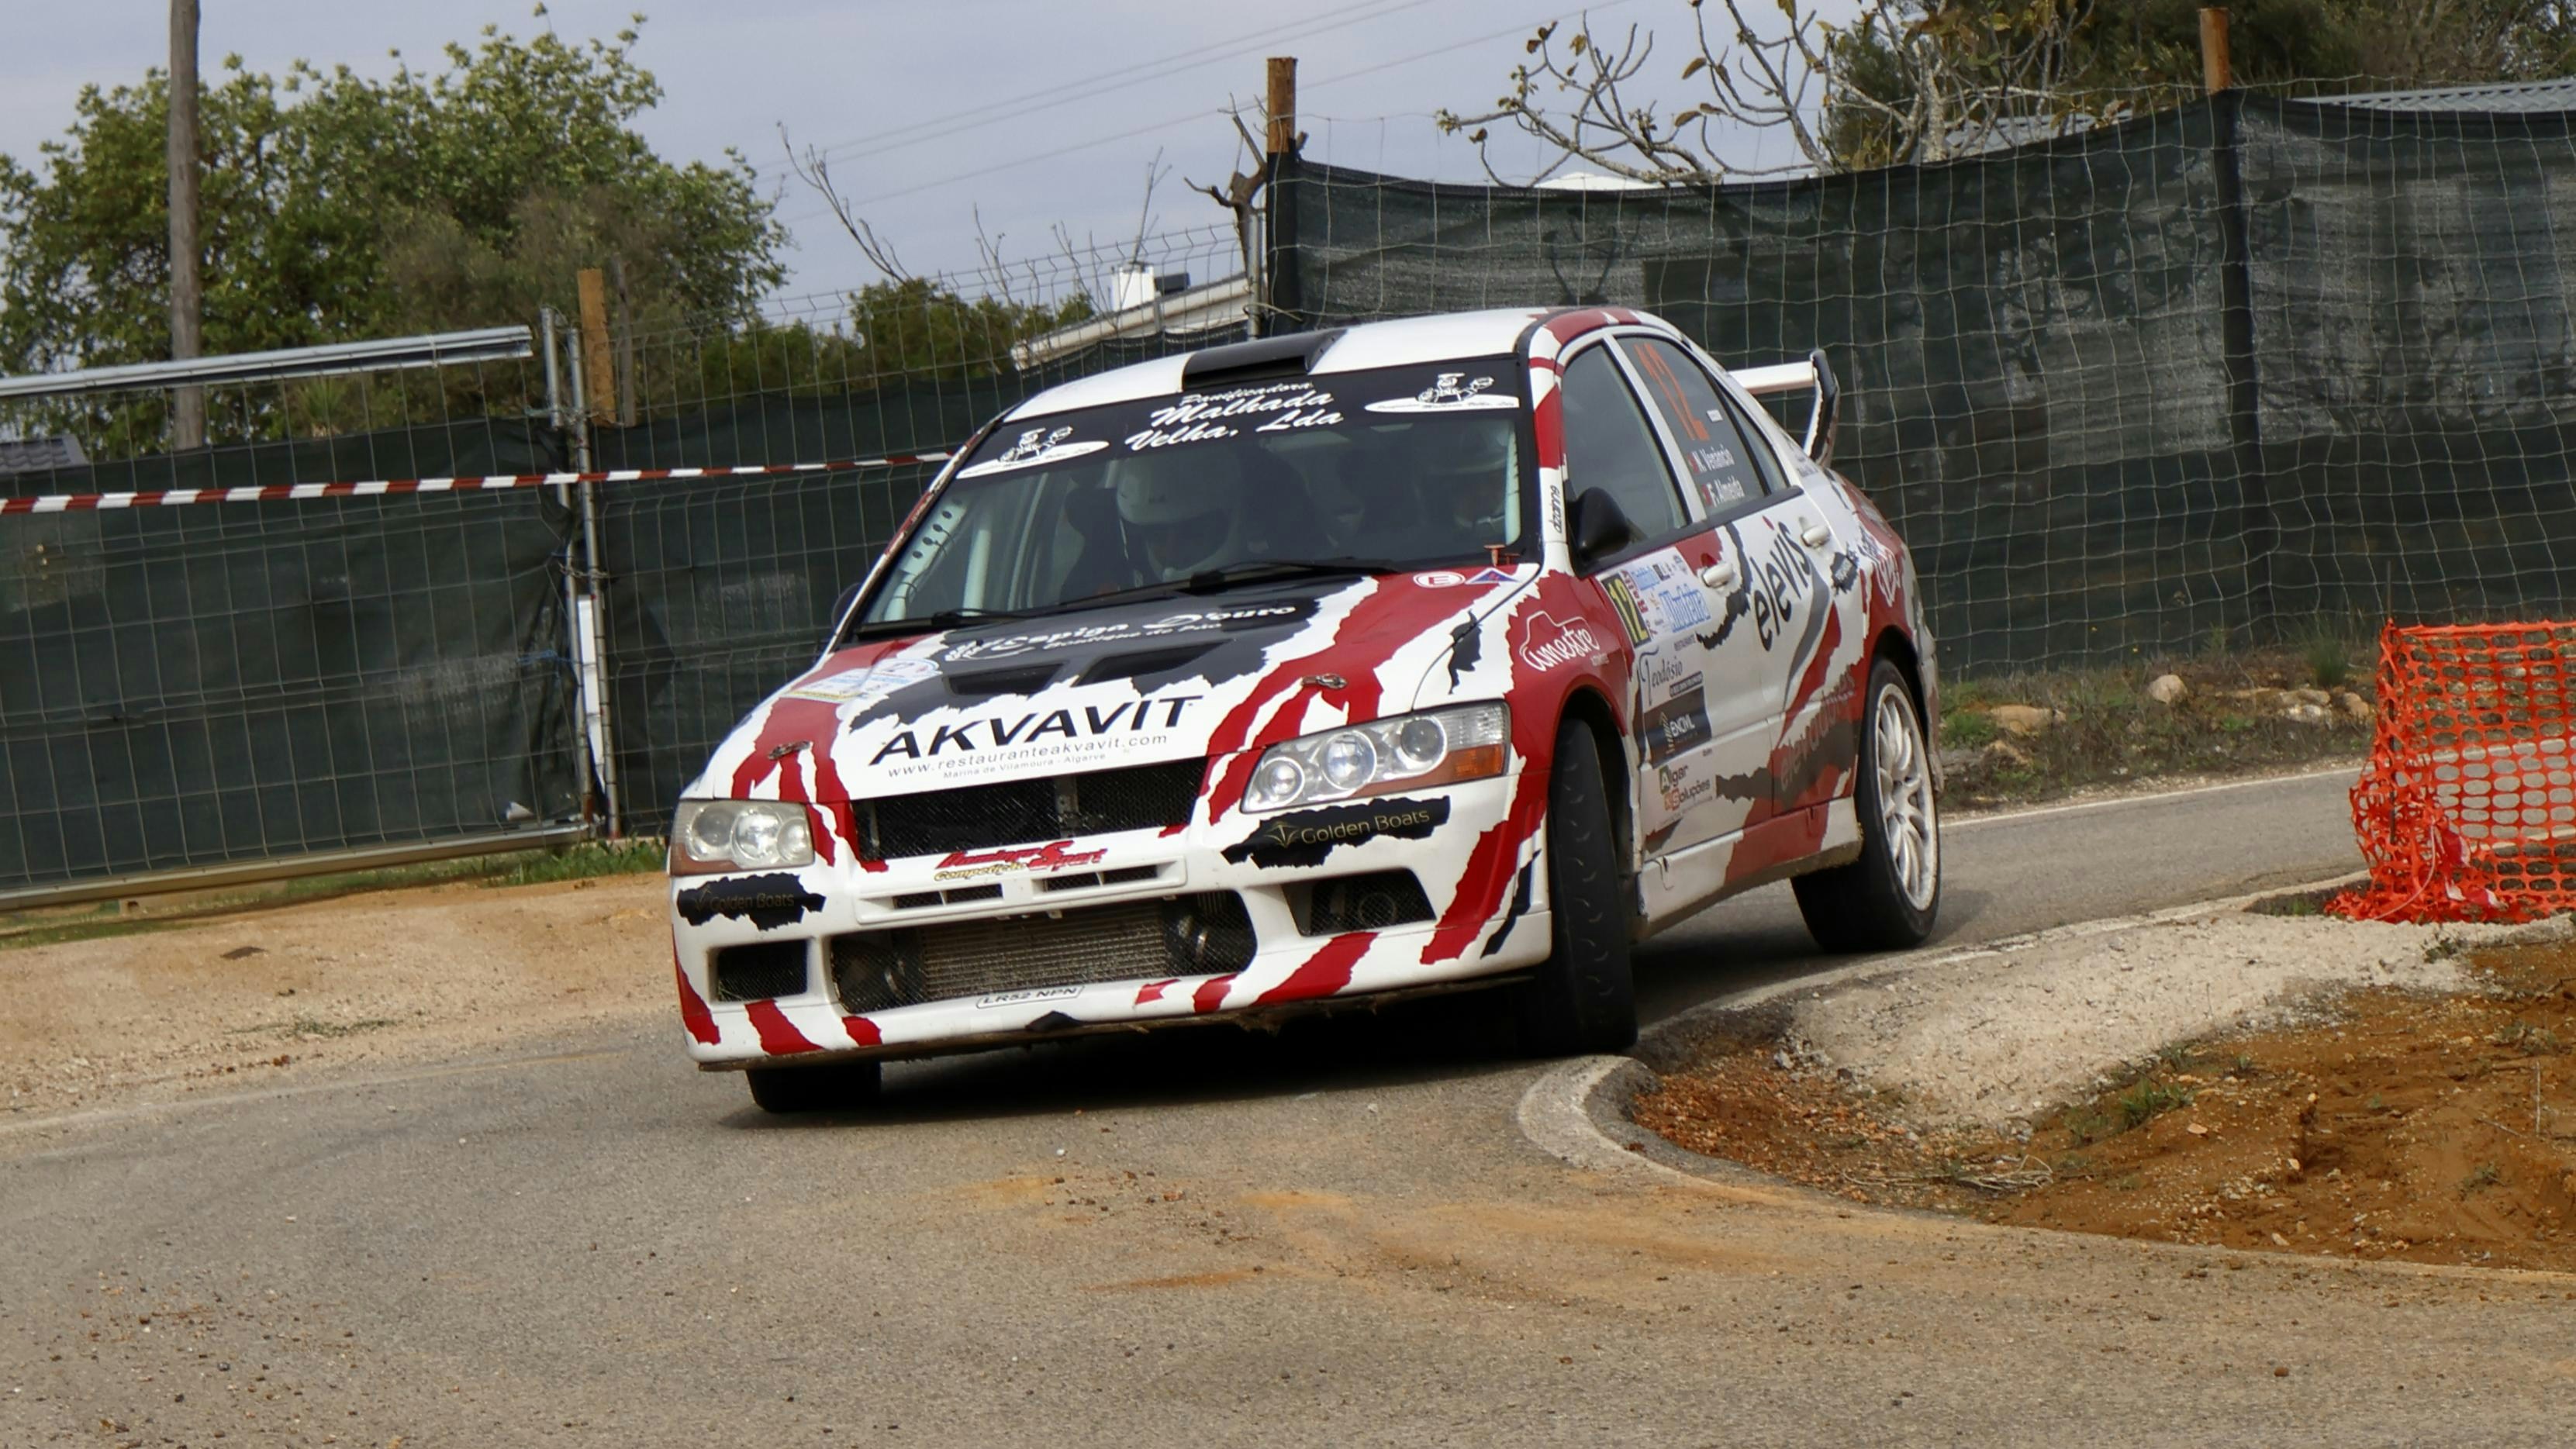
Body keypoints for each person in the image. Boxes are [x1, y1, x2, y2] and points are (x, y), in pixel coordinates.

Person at [1109, 448, 1249, 581]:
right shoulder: (1123, 587)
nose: (1171, 549)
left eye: (1189, 531)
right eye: (1156, 533)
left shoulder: (1267, 577)